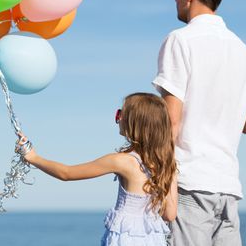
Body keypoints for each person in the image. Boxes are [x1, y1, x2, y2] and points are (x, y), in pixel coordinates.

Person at [152, 0, 246, 246]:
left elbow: (172, 121)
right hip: (227, 189)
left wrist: (161, 184)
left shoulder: (180, 40)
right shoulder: (245, 52)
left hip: (190, 185)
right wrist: (220, 113)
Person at [16, 92, 178, 246]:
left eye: (121, 113)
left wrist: (33, 157)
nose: (118, 118)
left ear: (134, 122)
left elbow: (67, 173)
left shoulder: (122, 161)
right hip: (153, 239)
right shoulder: (167, 163)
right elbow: (170, 214)